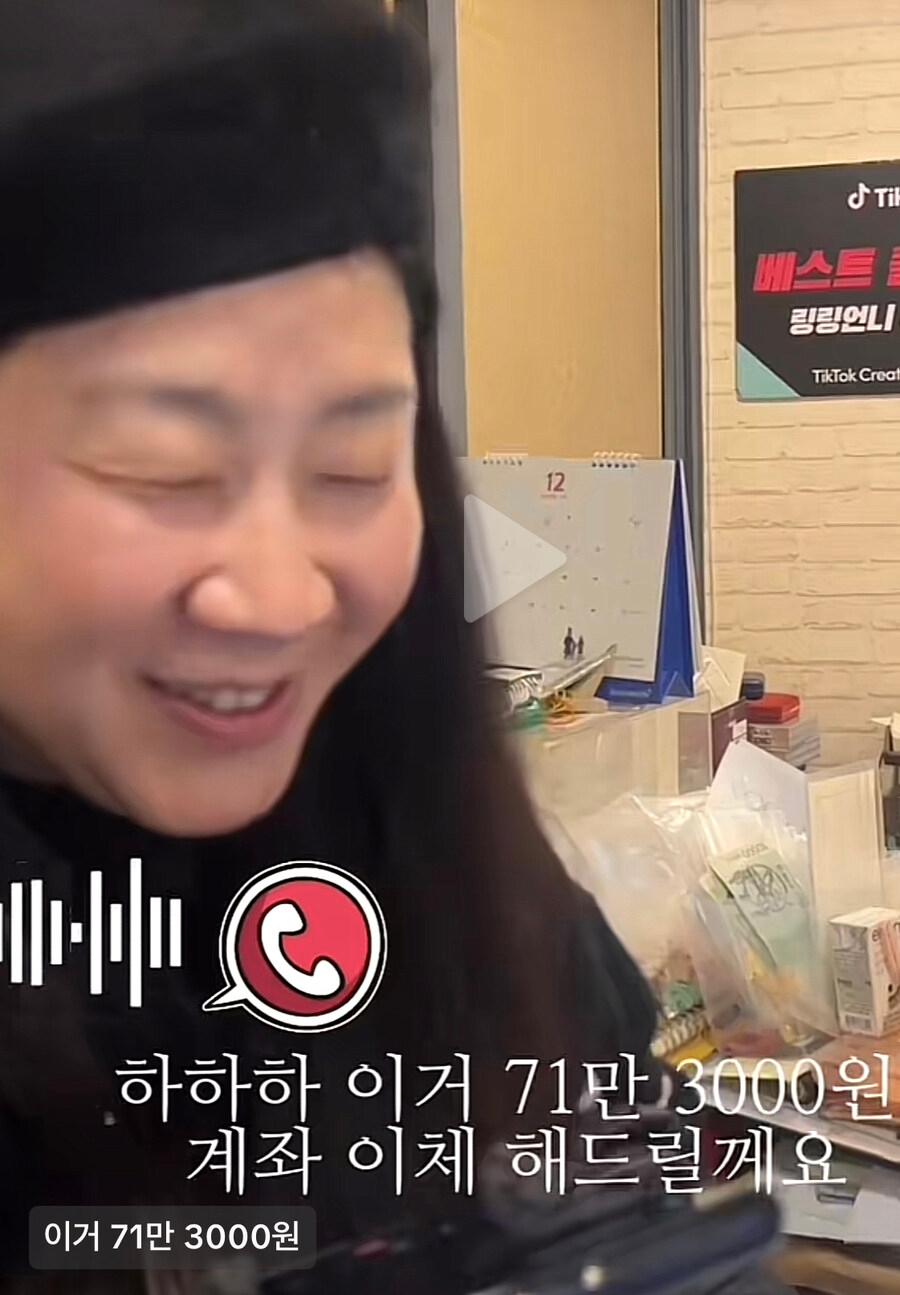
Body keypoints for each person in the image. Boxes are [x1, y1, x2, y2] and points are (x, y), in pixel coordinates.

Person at [0, 4, 787, 1293]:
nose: (278, 595)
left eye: (353, 466)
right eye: (162, 467)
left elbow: (641, 1208)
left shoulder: (439, 857)